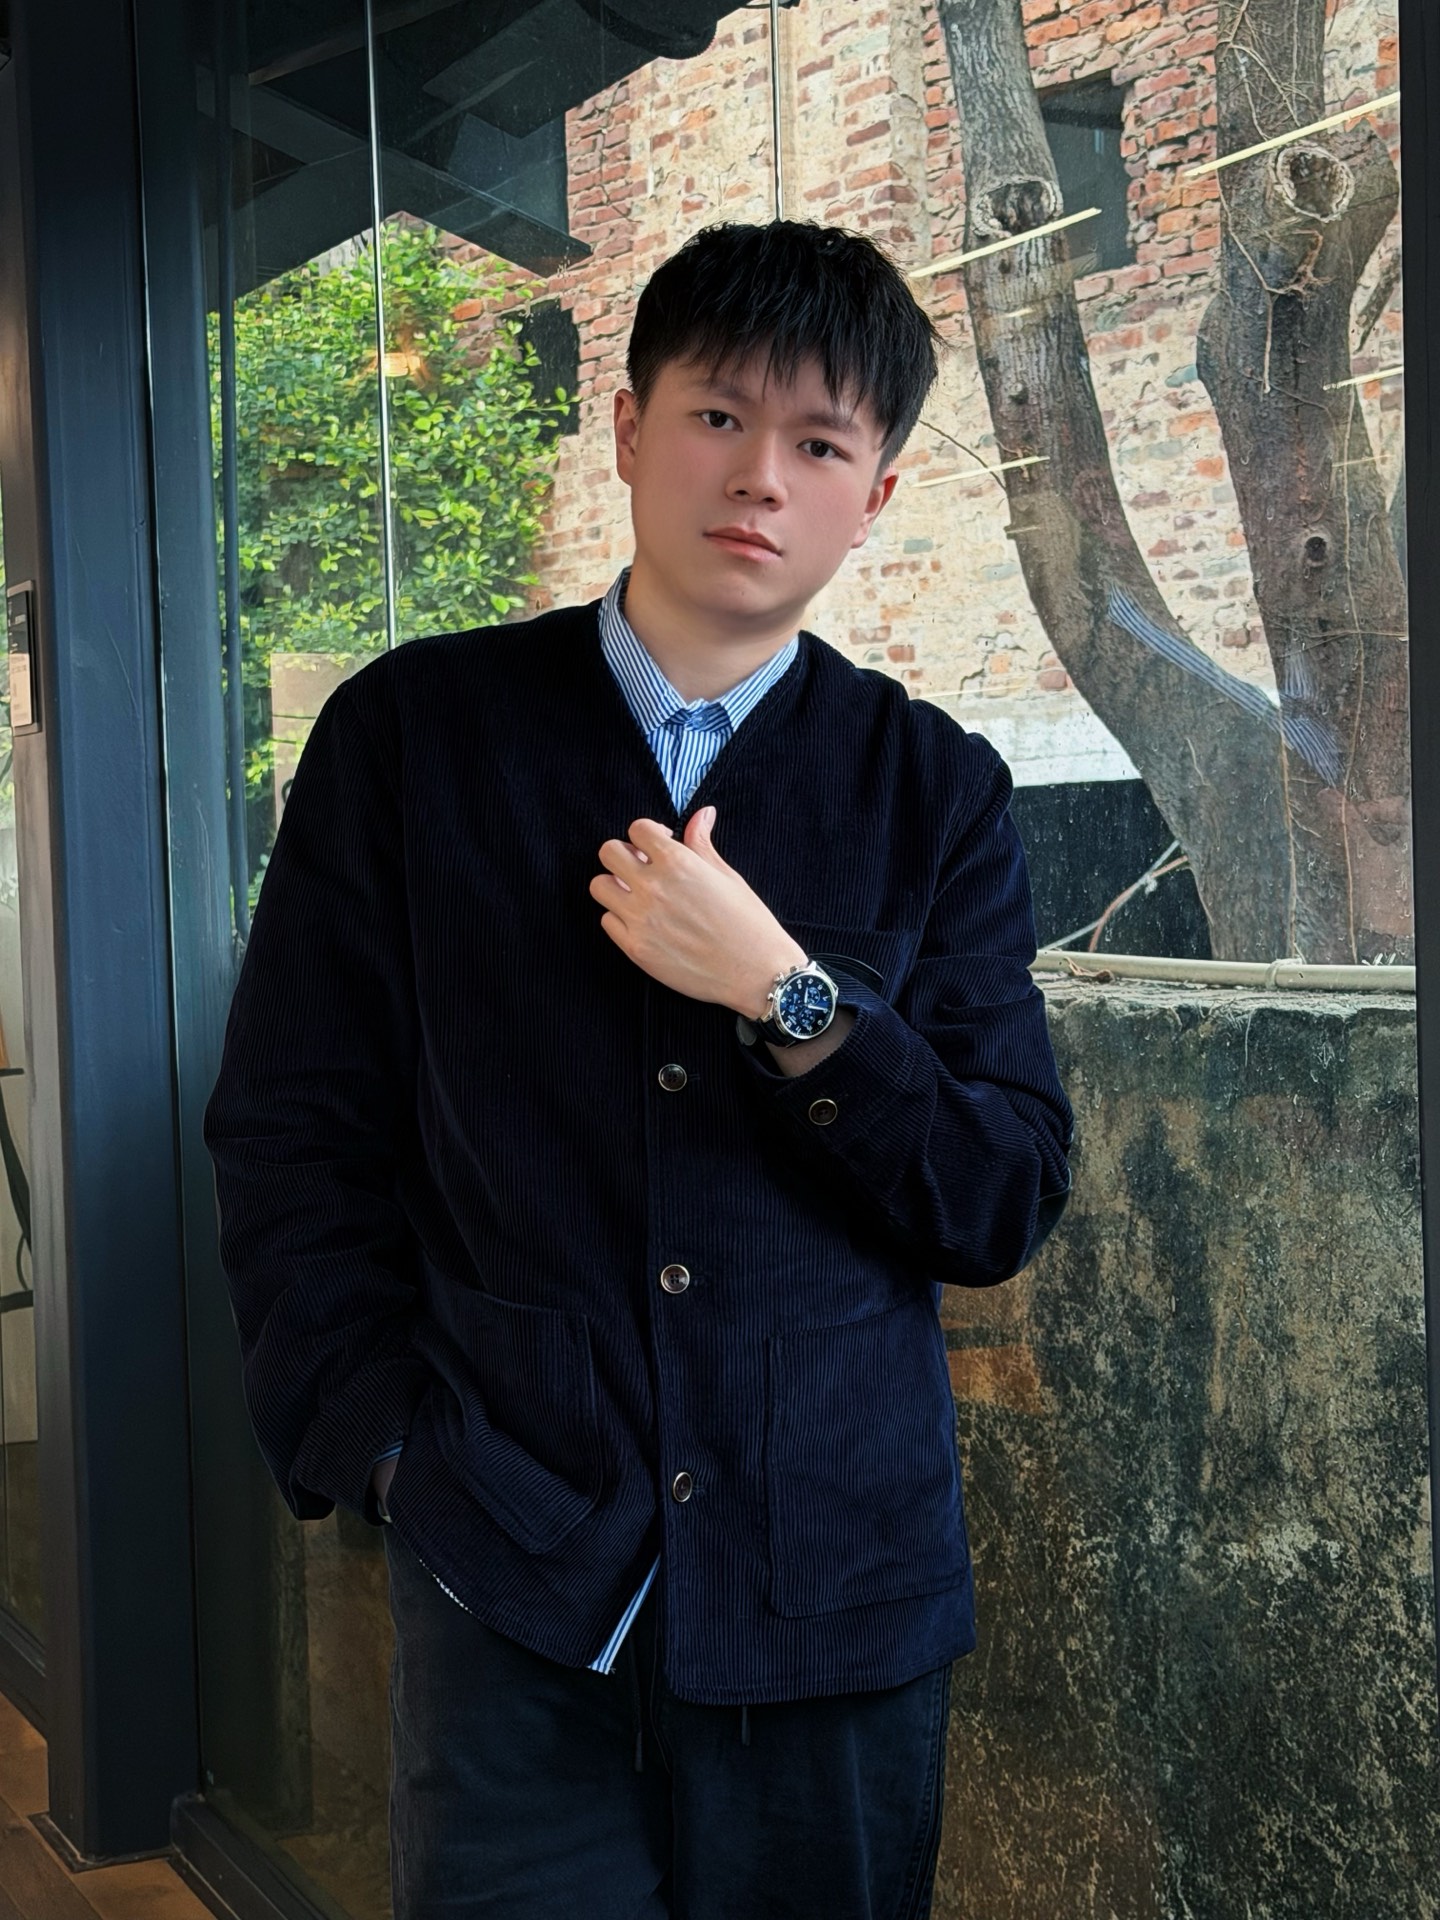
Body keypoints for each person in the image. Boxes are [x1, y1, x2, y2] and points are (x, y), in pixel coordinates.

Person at [204, 219, 1072, 1920]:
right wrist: (382, 1448)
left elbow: (998, 1193)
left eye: (819, 444)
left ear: (876, 496)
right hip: (513, 1573)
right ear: (624, 427)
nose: (760, 478)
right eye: (717, 416)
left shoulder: (933, 787)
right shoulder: (411, 738)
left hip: (836, 1592)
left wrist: (789, 994)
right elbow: (293, 1129)